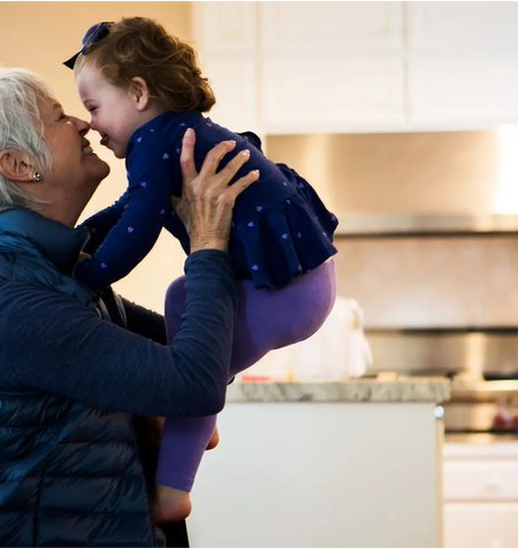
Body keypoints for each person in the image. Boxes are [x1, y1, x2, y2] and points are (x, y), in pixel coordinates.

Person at [0, 62, 257, 549]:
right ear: (18, 166)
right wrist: (207, 242)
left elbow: (208, 355)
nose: (83, 123)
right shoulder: (10, 304)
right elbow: (195, 383)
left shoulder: (55, 275)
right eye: (57, 118)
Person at [64, 16, 340, 521]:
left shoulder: (154, 142)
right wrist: (79, 241)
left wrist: (91, 273)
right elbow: (131, 207)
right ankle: (197, 421)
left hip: (287, 290)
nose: (93, 126)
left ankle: (173, 490)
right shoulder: (174, 133)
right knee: (182, 297)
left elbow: (141, 226)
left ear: (139, 94)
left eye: (94, 107)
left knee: (195, 374)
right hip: (301, 283)